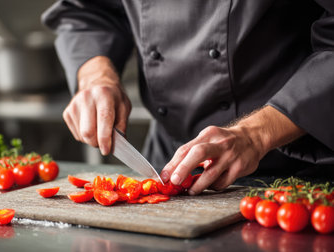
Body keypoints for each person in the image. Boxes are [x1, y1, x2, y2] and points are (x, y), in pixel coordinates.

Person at [42, 0, 334, 194]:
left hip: (294, 176)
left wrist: (256, 136)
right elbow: (88, 10)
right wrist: (97, 77)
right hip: (167, 167)